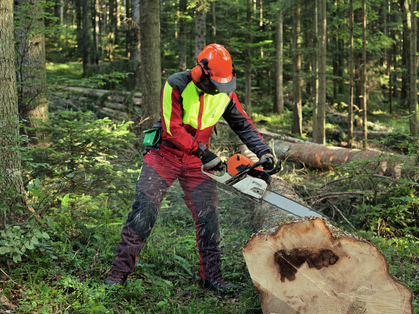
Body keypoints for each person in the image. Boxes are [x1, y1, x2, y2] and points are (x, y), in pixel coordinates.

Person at [104, 43, 274, 296]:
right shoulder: (176, 84)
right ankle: (119, 272)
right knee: (144, 211)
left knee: (208, 218)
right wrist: (204, 153)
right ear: (200, 72)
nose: (218, 90)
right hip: (164, 155)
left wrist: (263, 151)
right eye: (214, 84)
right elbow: (172, 129)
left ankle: (212, 277)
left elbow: (243, 124)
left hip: (198, 161)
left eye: (223, 85)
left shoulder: (225, 93)